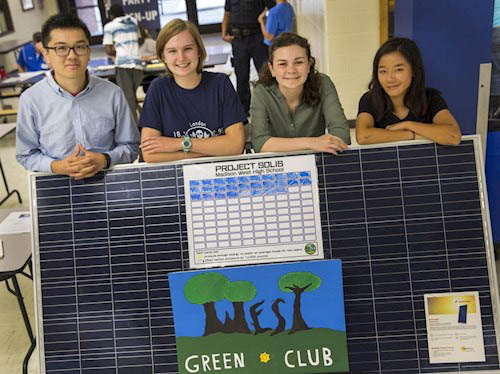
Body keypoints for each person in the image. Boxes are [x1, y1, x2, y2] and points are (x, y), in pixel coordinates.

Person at [16, 13, 140, 179]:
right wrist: (57, 166)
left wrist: (104, 160)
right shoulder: (30, 100)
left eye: (80, 47)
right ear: (46, 54)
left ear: (89, 51)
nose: (72, 55)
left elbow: (131, 146)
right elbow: (25, 154)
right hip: (55, 185)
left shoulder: (113, 93)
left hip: (109, 184)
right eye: (61, 48)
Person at [139, 19, 246, 163]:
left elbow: (235, 145)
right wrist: (211, 151)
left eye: (188, 49)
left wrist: (179, 144)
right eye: (172, 51)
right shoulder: (158, 89)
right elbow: (150, 155)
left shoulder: (220, 84)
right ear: (163, 57)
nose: (181, 58)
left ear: (199, 51)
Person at [250, 33, 350, 154]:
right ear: (272, 69)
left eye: (299, 62)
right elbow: (259, 143)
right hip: (277, 165)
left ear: (309, 65)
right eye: (282, 64)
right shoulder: (261, 91)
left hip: (316, 159)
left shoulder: (323, 84)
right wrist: (312, 143)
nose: (291, 70)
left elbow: (342, 134)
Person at [355, 37, 461, 145]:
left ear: (414, 70)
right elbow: (364, 136)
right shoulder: (369, 100)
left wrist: (408, 125)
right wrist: (411, 135)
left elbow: (453, 136)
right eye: (383, 71)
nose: (390, 78)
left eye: (398, 70)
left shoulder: (430, 98)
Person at [222, 0, 276, 116]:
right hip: (238, 38)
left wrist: (265, 24)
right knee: (241, 75)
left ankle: (271, 106)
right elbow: (227, 13)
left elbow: (273, 9)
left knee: (265, 73)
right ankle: (243, 110)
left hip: (258, 37)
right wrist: (224, 32)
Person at [103, 4, 143, 121]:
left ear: (111, 15)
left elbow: (108, 49)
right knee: (133, 97)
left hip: (123, 65)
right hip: (137, 64)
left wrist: (119, 52)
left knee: (128, 98)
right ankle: (144, 121)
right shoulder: (134, 22)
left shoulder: (109, 26)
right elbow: (140, 40)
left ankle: (134, 129)